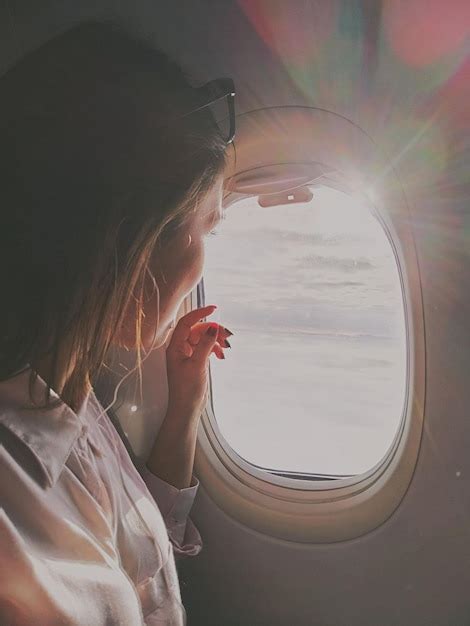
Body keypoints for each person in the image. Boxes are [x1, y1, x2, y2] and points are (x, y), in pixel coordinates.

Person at [0, 22, 234, 625]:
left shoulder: (67, 394)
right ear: (131, 241)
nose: (207, 249)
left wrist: (182, 405)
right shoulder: (16, 517)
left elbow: (129, 543)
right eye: (207, 226)